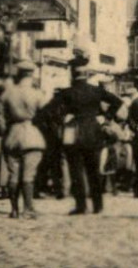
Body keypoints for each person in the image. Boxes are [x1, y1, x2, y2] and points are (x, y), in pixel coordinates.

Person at [44, 54, 122, 214]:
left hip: (73, 132)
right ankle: (98, 205)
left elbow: (48, 111)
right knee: (94, 169)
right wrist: (106, 118)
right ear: (86, 74)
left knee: (76, 170)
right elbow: (117, 102)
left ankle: (81, 206)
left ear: (72, 73)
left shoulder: (66, 93)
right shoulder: (96, 91)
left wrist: (62, 120)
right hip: (93, 131)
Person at [0, 62, 50, 218]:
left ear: (18, 74)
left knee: (13, 175)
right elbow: (46, 116)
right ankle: (28, 209)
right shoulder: (37, 94)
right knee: (29, 175)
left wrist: (6, 132)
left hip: (12, 136)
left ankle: (14, 209)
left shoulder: (6, 94)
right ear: (31, 75)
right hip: (32, 136)